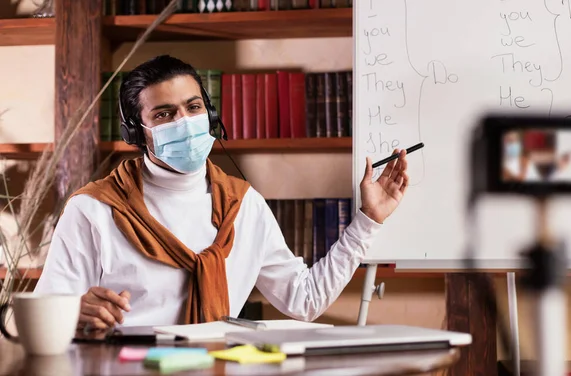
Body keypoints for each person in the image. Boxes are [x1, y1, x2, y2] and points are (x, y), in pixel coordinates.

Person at [34, 55, 410, 329]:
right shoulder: (92, 209)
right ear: (136, 132)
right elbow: (41, 317)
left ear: (210, 115)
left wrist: (367, 220)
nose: (183, 122)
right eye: (163, 114)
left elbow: (304, 300)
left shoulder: (243, 205)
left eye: (193, 107)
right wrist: (69, 312)